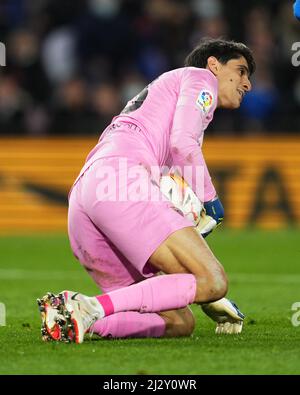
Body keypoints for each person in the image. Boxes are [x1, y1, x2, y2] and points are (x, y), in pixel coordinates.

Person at [37, 38, 255, 343]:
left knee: (178, 321)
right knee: (214, 279)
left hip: (88, 195)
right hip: (122, 178)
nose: (247, 84)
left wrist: (205, 293)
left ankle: (70, 317)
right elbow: (183, 143)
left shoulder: (163, 102)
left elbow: (175, 256)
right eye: (242, 71)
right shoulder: (200, 77)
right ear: (214, 65)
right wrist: (212, 202)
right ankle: (90, 307)